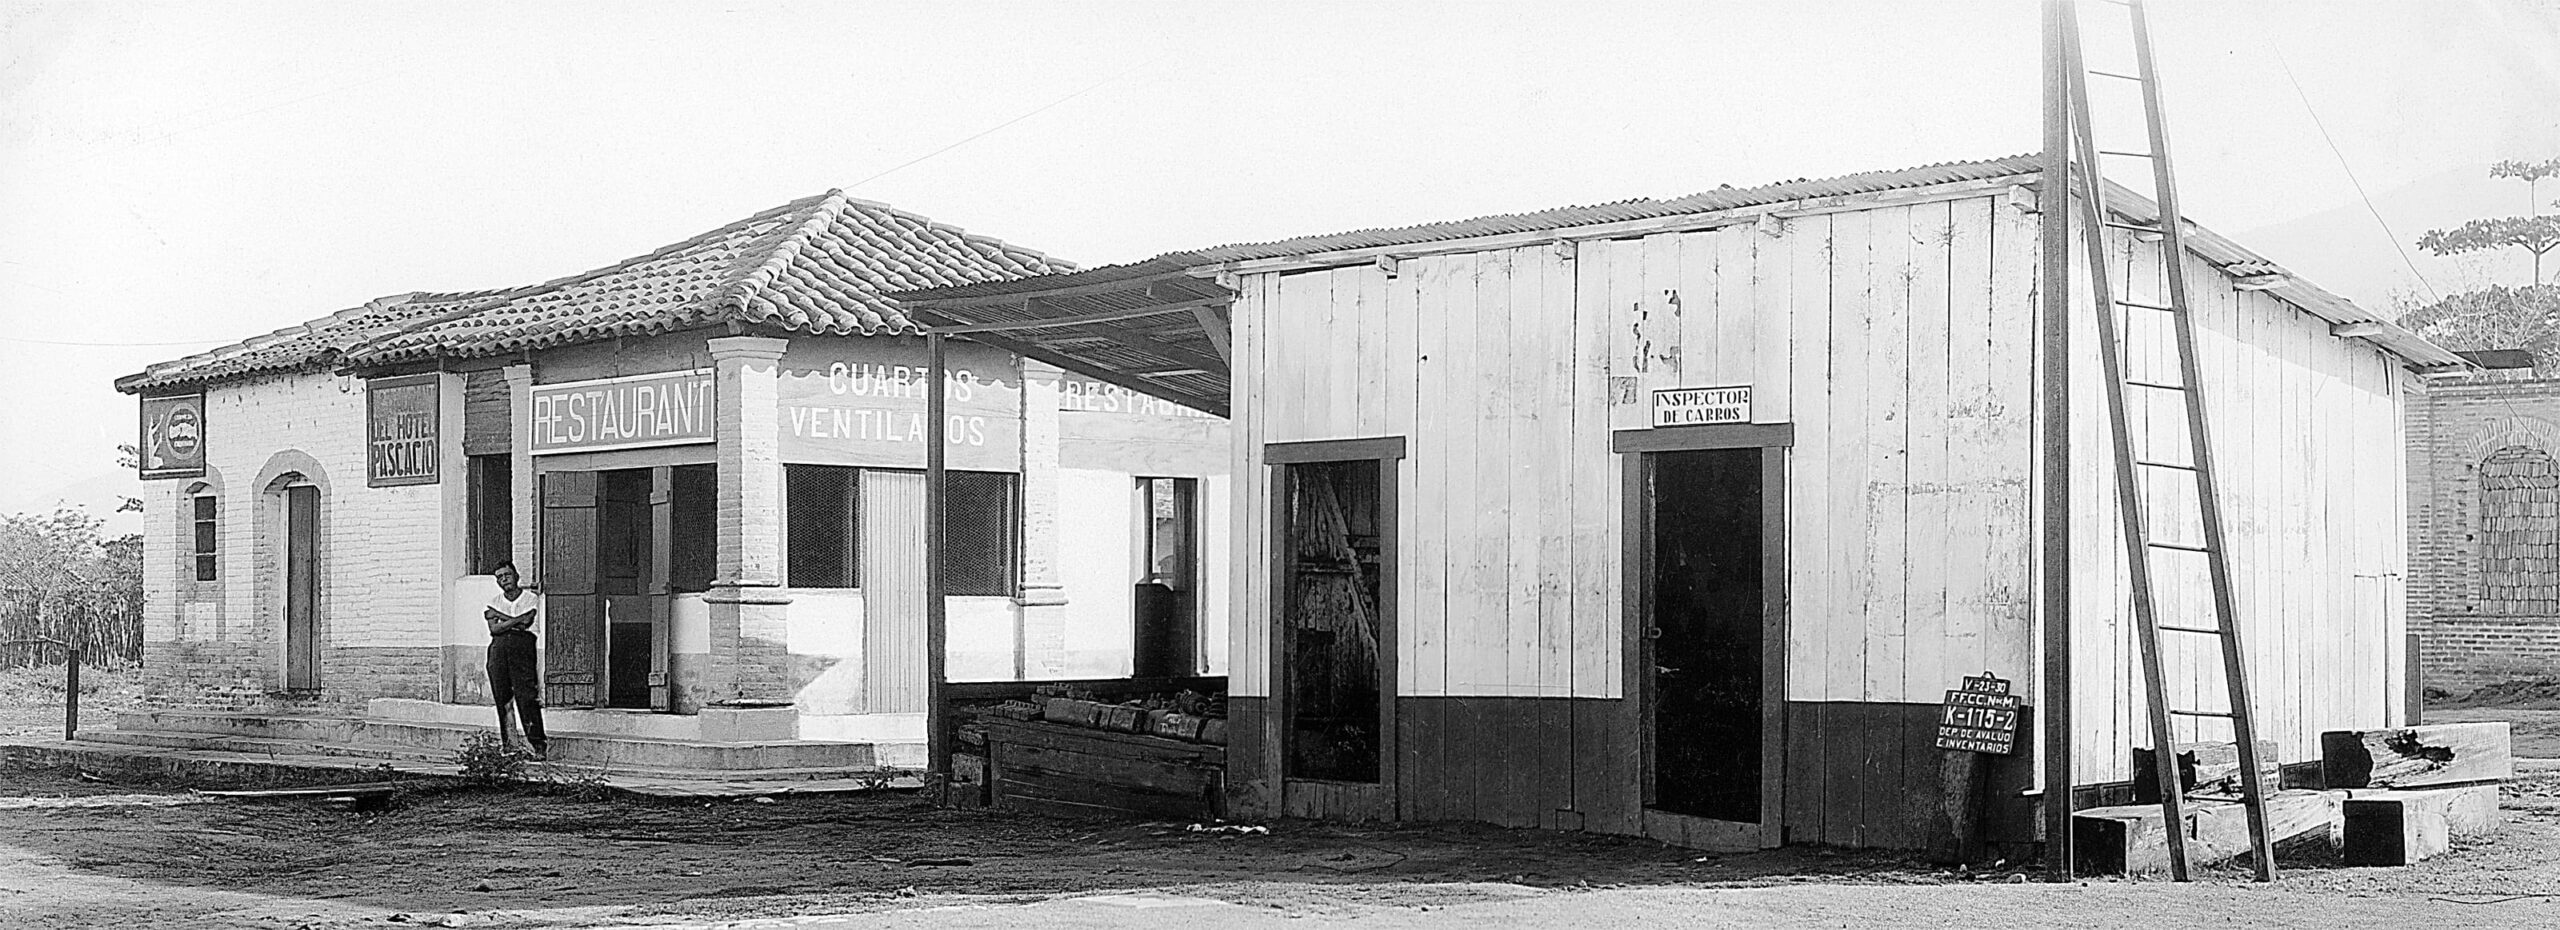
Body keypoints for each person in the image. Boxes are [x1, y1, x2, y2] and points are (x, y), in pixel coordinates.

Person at [484, 560, 549, 760]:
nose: (504, 580)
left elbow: (527, 623)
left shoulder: (530, 598)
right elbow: (494, 629)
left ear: (516, 576)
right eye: (500, 577)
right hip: (498, 650)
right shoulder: (495, 600)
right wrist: (516, 620)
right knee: (502, 698)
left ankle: (537, 745)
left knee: (527, 697)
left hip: (522, 649)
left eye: (507, 575)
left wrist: (500, 617)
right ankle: (510, 746)